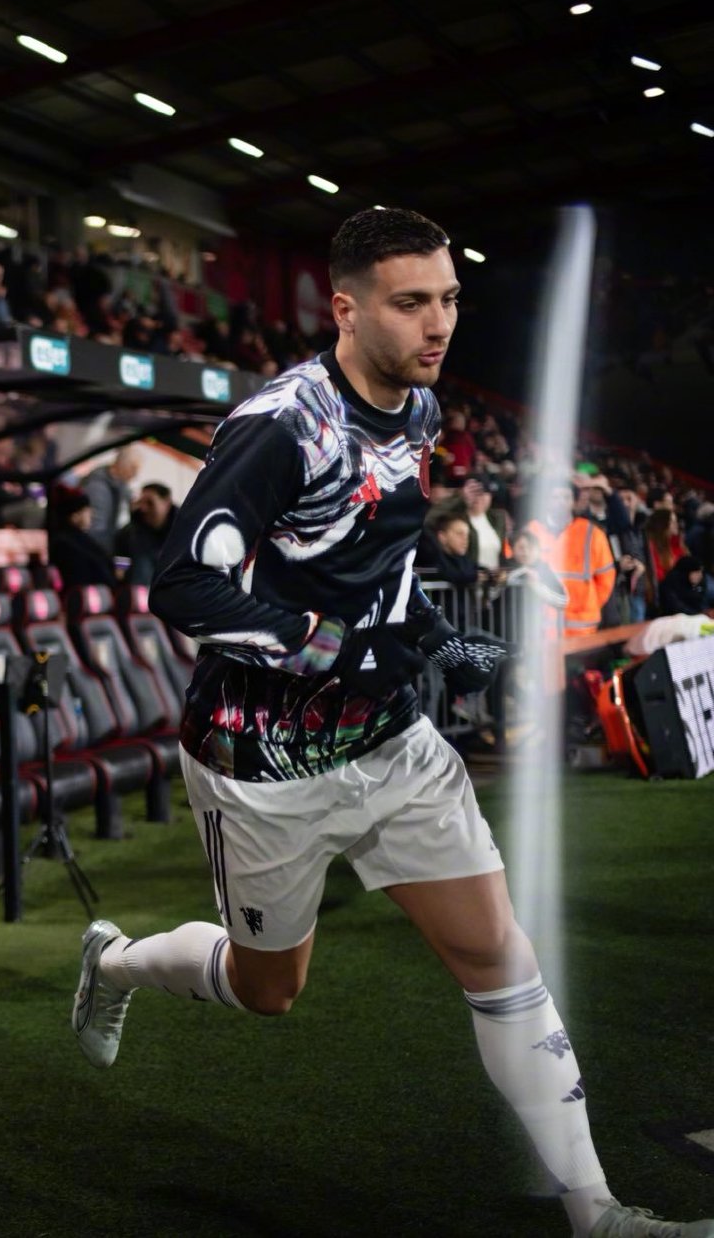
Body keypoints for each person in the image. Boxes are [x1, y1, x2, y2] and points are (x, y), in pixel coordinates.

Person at [69, 208, 708, 1238]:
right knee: (268, 990)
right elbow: (180, 585)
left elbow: (383, 560)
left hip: (391, 740)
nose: (437, 322)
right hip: (262, 759)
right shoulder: (279, 426)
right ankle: (112, 964)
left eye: (448, 299)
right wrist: (330, 646)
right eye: (411, 302)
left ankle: (597, 1213)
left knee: (498, 957)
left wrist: (435, 639)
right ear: (346, 308)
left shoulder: (419, 409)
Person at [529, 483, 617, 635]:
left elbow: (606, 577)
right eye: (555, 497)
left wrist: (591, 604)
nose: (560, 502)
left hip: (581, 628)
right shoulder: (531, 531)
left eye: (566, 497)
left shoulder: (592, 533)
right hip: (540, 627)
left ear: (574, 502)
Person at [48, 489, 117, 589]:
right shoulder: (66, 544)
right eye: (86, 510)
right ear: (74, 516)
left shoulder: (81, 540)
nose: (91, 514)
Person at [113, 482, 175, 588]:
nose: (143, 508)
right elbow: (121, 561)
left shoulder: (184, 530)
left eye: (150, 503)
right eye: (141, 502)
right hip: (140, 591)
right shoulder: (129, 532)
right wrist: (121, 570)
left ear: (166, 502)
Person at [81, 447, 140, 536]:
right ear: (122, 466)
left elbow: (128, 494)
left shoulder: (119, 483)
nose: (135, 475)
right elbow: (95, 529)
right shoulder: (98, 489)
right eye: (134, 469)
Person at [418, 510, 482, 589]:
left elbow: (477, 568)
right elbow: (447, 573)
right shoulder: (431, 558)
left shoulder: (463, 559)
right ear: (442, 537)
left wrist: (490, 574)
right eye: (459, 534)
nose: (465, 539)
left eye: (467, 535)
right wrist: (475, 576)